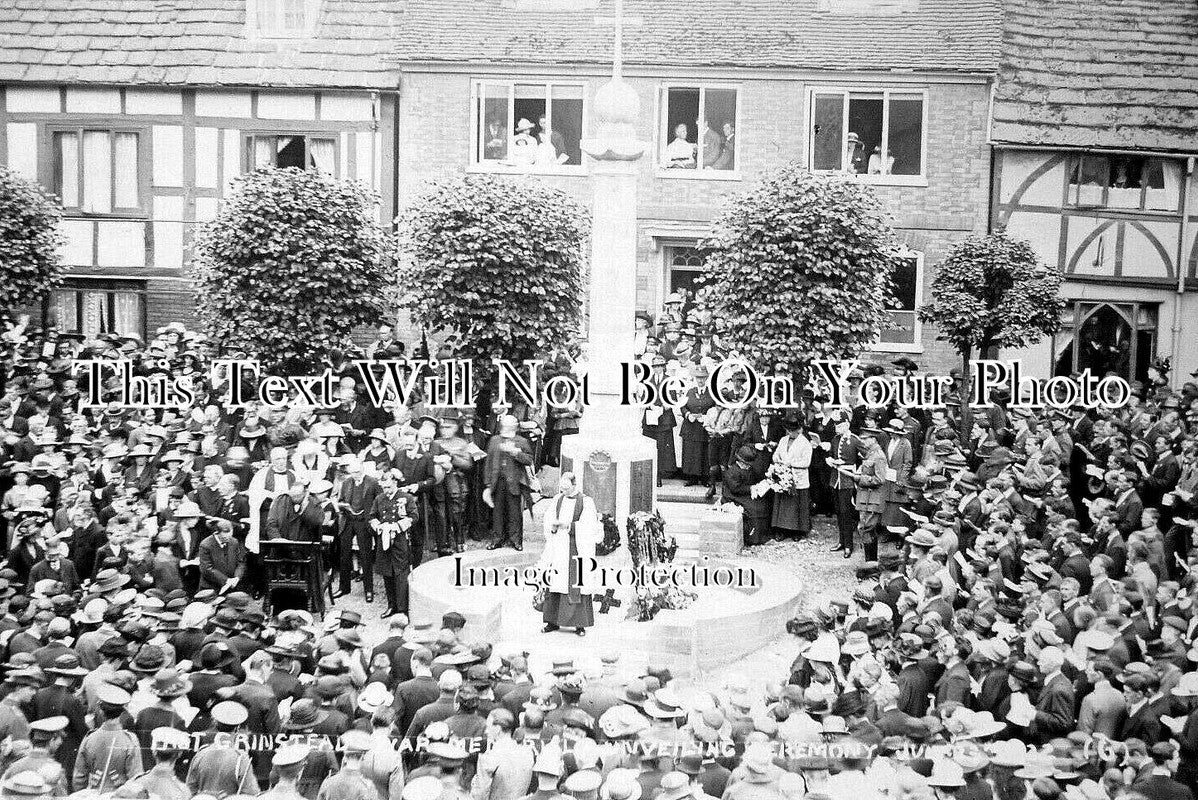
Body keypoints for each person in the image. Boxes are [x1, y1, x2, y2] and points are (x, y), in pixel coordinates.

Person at [538, 472, 601, 637]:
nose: (563, 491)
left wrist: (569, 526)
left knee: (577, 583)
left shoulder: (586, 502)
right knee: (556, 583)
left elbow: (589, 526)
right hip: (559, 548)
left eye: (566, 488)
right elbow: (548, 518)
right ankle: (552, 621)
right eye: (561, 488)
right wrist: (552, 526)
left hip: (576, 548)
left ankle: (580, 624)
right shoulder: (557, 500)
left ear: (574, 485)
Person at [371, 468, 416, 618]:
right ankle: (391, 606)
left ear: (395, 483)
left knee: (401, 575)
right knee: (387, 573)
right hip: (383, 540)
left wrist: (397, 527)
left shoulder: (406, 497)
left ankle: (402, 610)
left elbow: (414, 517)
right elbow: (372, 516)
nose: (386, 490)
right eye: (384, 487)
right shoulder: (379, 499)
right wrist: (379, 527)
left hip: (399, 540)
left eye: (389, 487)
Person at [484, 415, 533, 551]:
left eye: (510, 425)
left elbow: (529, 460)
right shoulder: (494, 440)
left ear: (515, 426)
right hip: (497, 481)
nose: (506, 427)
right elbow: (488, 462)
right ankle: (497, 539)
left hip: (515, 482)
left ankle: (516, 540)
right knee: (497, 512)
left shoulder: (522, 441)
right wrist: (487, 484)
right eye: (504, 425)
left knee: (514, 512)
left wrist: (515, 453)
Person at [197, 518, 247, 593]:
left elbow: (240, 562)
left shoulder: (234, 542)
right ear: (216, 533)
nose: (228, 539)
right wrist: (226, 580)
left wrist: (237, 577)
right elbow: (206, 569)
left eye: (230, 536)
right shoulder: (205, 545)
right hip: (211, 588)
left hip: (231, 587)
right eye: (224, 537)